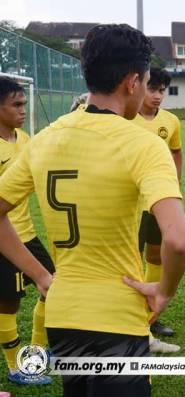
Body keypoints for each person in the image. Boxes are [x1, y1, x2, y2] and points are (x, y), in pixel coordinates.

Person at [0, 24, 185, 397]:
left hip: (63, 313)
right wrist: (164, 289)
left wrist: (42, 277)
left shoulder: (44, 139)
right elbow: (179, 241)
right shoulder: (143, 144)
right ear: (133, 82)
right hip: (118, 316)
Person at [0, 77, 55, 386]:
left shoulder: (24, 138)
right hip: (4, 240)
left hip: (28, 234)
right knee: (9, 303)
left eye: (24, 103)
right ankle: (15, 366)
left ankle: (37, 350)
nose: (23, 110)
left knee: (53, 288)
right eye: (16, 105)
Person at [132, 67, 182, 340]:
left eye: (162, 90)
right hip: (129, 204)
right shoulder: (125, 119)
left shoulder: (171, 121)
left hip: (155, 203)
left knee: (154, 255)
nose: (157, 95)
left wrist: (171, 184)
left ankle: (150, 317)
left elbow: (176, 151)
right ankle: (128, 317)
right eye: (152, 89)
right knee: (129, 259)